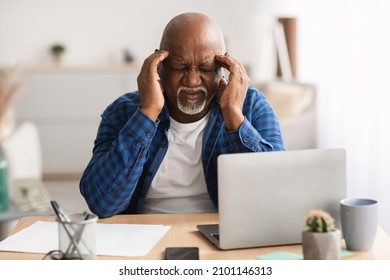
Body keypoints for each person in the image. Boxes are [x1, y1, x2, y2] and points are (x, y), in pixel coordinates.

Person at [80, 12, 285, 218]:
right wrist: (148, 112)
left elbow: (275, 194)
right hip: (145, 232)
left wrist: (233, 116)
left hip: (225, 230)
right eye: (180, 67)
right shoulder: (122, 112)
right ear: (159, 66)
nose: (193, 81)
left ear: (223, 68)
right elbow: (102, 204)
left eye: (205, 68)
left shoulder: (252, 106)